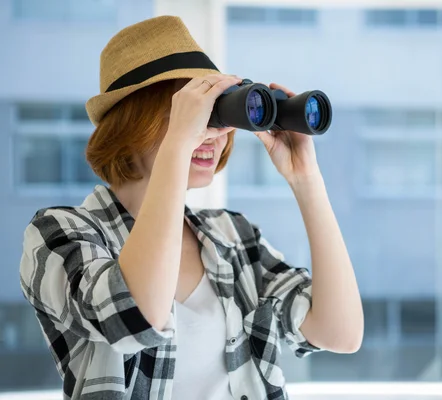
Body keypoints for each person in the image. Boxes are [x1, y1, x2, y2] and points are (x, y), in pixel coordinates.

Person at [19, 15, 363, 400]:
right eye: (192, 111)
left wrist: (306, 179)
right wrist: (178, 144)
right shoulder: (59, 233)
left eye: (219, 112)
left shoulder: (234, 237)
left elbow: (340, 333)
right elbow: (136, 319)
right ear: (131, 122)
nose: (211, 133)